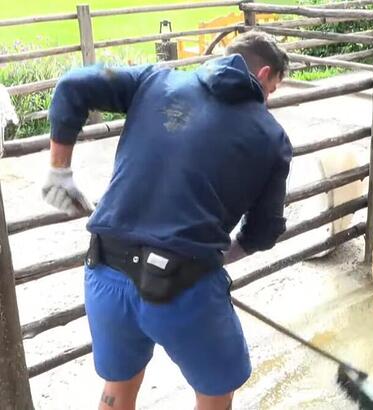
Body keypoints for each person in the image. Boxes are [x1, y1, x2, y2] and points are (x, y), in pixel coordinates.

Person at [41, 31, 292, 410]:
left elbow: (73, 84)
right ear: (265, 74)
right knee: (215, 393)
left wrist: (59, 171)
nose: (268, 100)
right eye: (272, 89)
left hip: (106, 272)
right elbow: (264, 231)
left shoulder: (156, 79)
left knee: (119, 387)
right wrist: (220, 259)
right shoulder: (272, 137)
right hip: (184, 290)